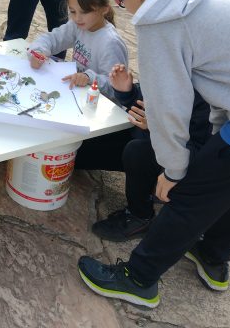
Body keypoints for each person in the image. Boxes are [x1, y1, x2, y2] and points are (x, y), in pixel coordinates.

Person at [78, 0, 230, 309]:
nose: (124, 10)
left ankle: (139, 278)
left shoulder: (162, 21)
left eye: (122, 1)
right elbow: (226, 79)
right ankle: (212, 256)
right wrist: (218, 136)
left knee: (190, 197)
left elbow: (167, 108)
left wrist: (174, 171)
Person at [90, 65, 212, 242]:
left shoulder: (207, 94)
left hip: (176, 160)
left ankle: (140, 216)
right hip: (147, 139)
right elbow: (141, 107)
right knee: (82, 152)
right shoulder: (165, 68)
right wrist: (127, 91)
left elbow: (197, 152)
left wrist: (158, 129)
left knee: (136, 152)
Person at [27, 0, 127, 99]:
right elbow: (52, 38)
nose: (77, 18)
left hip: (100, 106)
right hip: (77, 94)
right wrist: (38, 52)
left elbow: (117, 87)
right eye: (73, 11)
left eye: (84, 12)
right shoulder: (77, 26)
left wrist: (88, 77)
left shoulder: (111, 43)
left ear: (104, 9)